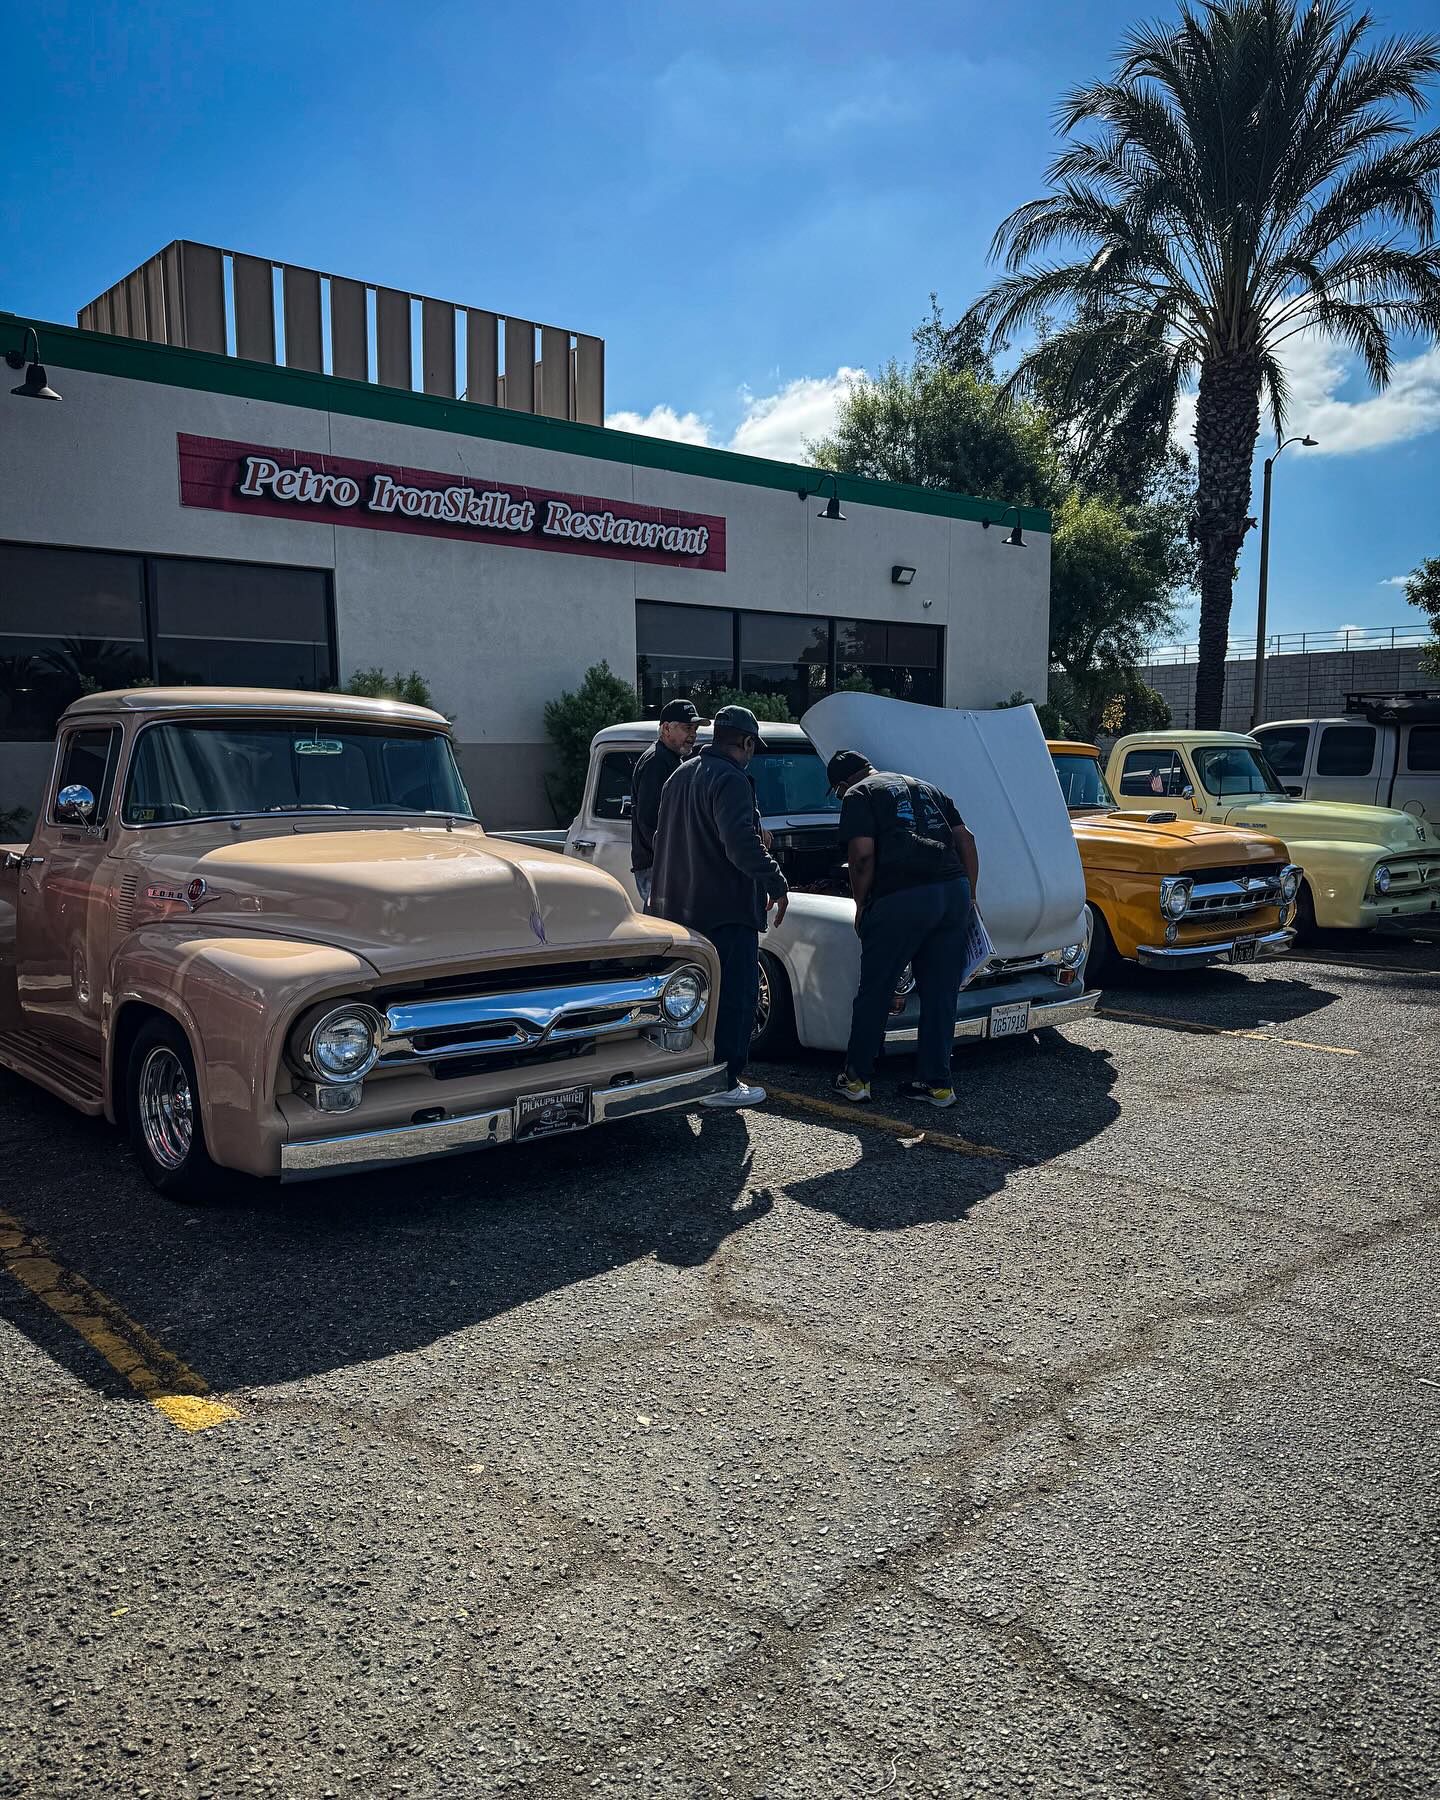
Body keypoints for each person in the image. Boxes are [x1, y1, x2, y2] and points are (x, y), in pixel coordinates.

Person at [649, 705, 788, 1108]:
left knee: (688, 998)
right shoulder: (731, 778)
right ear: (746, 743)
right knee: (735, 997)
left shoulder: (679, 775)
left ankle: (685, 1074)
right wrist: (776, 882)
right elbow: (740, 843)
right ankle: (723, 1082)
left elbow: (660, 838)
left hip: (678, 908)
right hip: (727, 910)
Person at [825, 748, 979, 1110]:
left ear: (843, 784)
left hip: (902, 896)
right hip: (952, 892)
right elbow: (967, 840)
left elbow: (862, 856)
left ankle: (856, 1079)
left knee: (876, 989)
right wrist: (970, 896)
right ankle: (937, 1084)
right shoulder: (928, 787)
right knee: (941, 993)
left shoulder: (859, 794)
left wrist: (862, 905)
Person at [630, 699, 702, 907]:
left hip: (663, 865)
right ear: (666, 729)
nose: (693, 735)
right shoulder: (657, 761)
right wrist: (674, 858)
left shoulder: (670, 759)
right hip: (658, 867)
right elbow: (650, 821)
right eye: (687, 728)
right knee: (666, 922)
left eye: (695, 729)